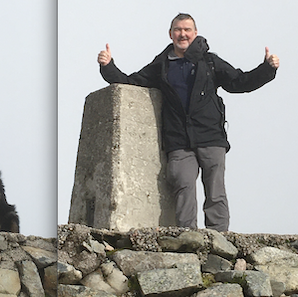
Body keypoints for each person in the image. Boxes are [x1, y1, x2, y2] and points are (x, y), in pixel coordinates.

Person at [97, 13, 279, 232]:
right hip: (178, 140)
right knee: (183, 186)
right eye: (177, 30)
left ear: (195, 33)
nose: (182, 34)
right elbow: (131, 82)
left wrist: (267, 68)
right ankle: (187, 236)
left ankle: (218, 236)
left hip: (210, 136)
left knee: (215, 190)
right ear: (170, 34)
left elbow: (240, 82)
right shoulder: (162, 64)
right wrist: (108, 66)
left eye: (187, 29)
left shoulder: (210, 61)